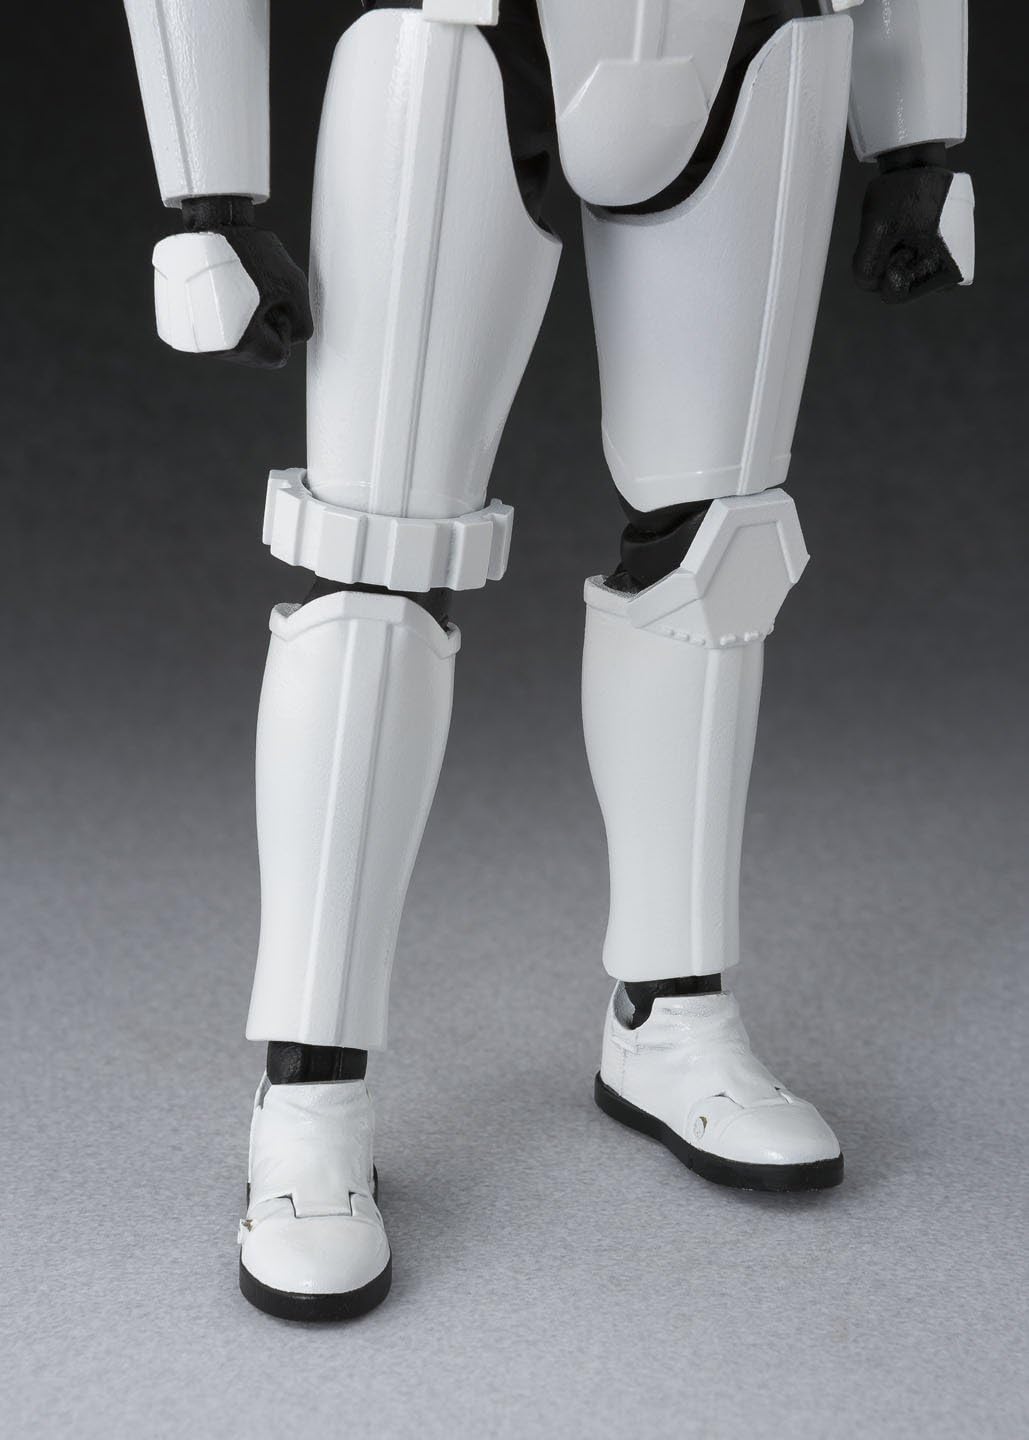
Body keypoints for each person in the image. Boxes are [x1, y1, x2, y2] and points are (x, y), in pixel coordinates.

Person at [123, 0, 974, 1320]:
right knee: (375, 558)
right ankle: (309, 1095)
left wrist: (915, 138)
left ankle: (672, 1015)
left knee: (718, 545)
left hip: (748, 45)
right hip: (462, 38)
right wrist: (207, 193)